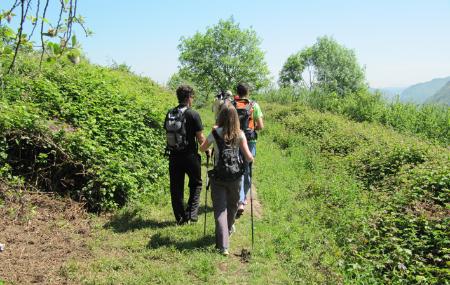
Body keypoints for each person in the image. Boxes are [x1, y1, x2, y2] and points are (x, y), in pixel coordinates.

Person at [200, 103, 253, 256]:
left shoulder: (215, 133)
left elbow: (202, 148)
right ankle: (228, 230)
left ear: (221, 117)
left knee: (220, 210)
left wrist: (210, 150)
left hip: (218, 176)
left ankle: (223, 246)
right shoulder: (240, 134)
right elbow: (249, 157)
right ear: (236, 118)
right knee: (233, 206)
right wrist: (251, 160)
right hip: (235, 177)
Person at [164, 85, 207, 225]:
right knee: (196, 183)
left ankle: (180, 218)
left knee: (176, 187)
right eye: (192, 97)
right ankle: (191, 214)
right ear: (189, 98)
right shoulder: (193, 114)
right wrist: (207, 150)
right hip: (190, 156)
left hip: (174, 155)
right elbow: (200, 138)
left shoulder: (170, 113)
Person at [233, 83, 264, 218]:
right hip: (250, 141)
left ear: (237, 92)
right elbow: (261, 126)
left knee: (236, 168)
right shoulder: (254, 105)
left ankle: (235, 198)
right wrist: (252, 128)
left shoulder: (231, 104)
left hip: (234, 139)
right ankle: (242, 199)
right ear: (248, 91)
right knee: (247, 169)